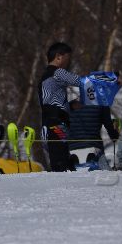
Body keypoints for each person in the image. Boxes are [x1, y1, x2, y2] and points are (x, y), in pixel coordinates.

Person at [38, 42, 84, 172]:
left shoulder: (45, 76)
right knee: (62, 169)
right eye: (67, 57)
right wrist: (112, 78)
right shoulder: (58, 73)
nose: (69, 61)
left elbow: (50, 103)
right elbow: (82, 81)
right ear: (59, 56)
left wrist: (70, 106)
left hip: (48, 126)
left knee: (62, 166)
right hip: (56, 126)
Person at [68, 102, 120, 169]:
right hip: (94, 148)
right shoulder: (101, 102)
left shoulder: (65, 102)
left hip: (71, 149)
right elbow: (109, 125)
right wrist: (115, 134)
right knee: (105, 172)